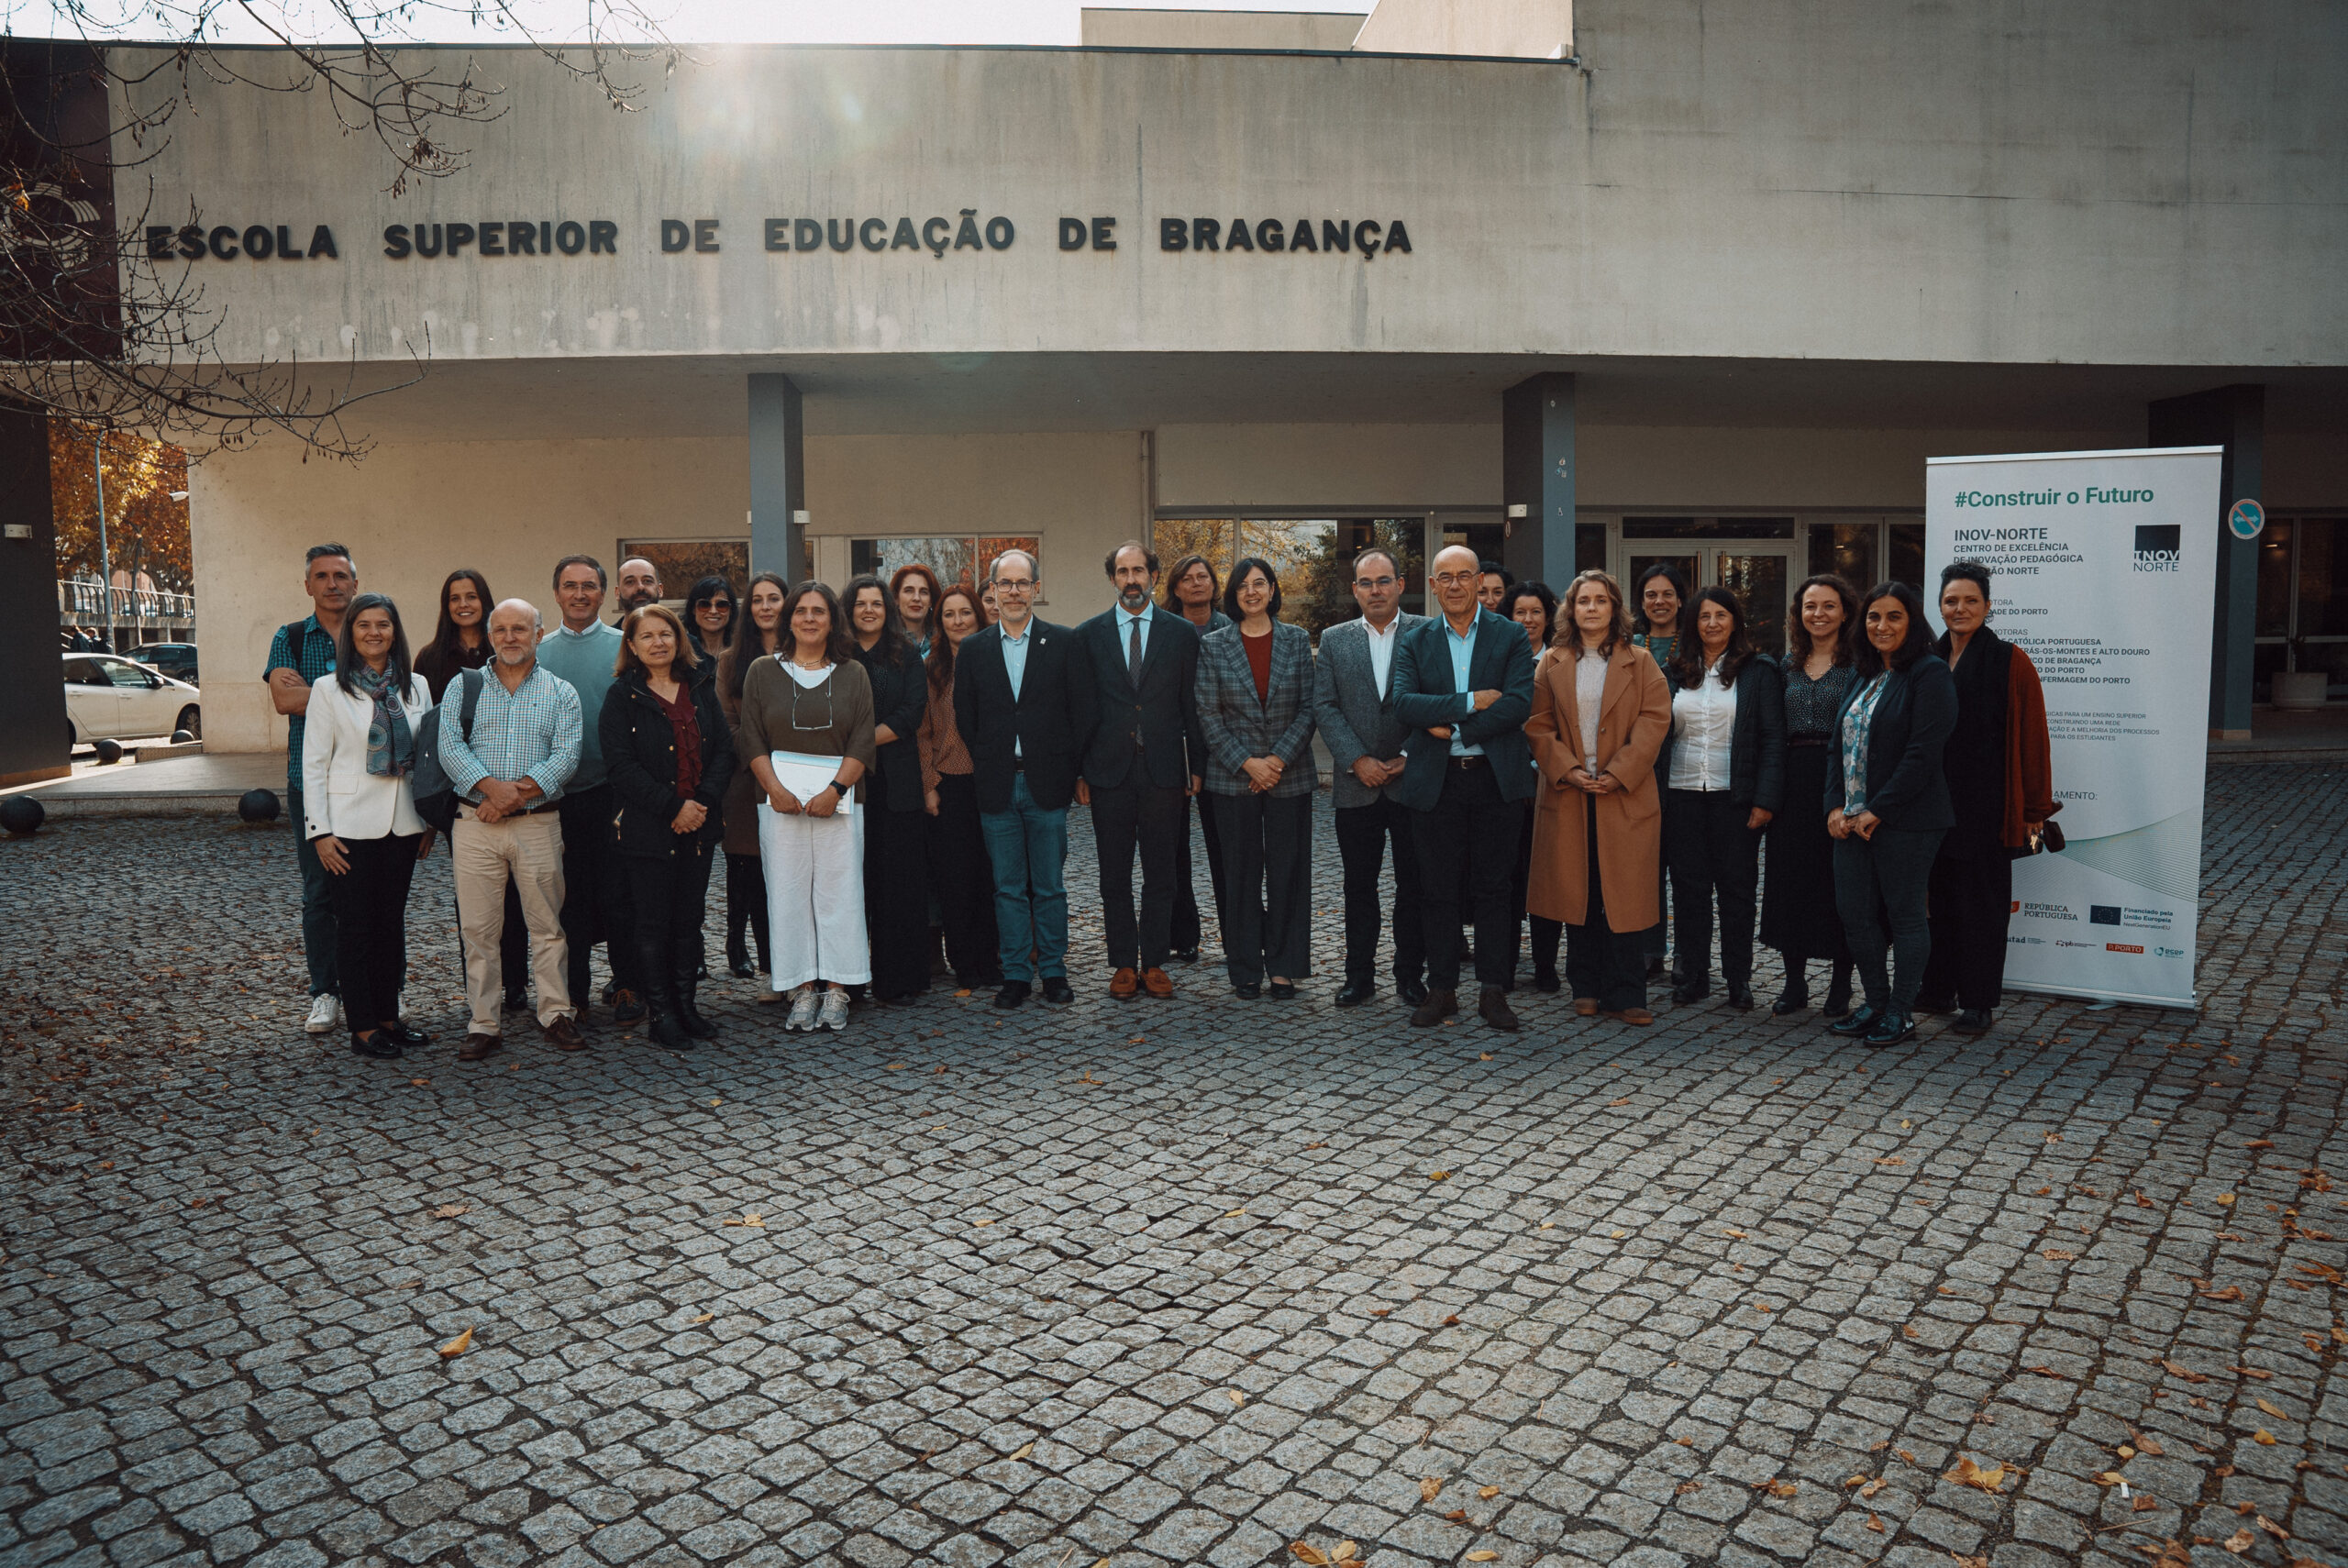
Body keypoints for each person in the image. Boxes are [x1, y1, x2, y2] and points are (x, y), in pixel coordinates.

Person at [1389, 544, 1538, 1031]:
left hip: (1496, 780)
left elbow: (1517, 703)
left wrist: (1454, 727)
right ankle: (1442, 989)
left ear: (1479, 582)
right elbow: (1405, 703)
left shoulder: (1511, 635)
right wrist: (1471, 701)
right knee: (1437, 890)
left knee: (1496, 888)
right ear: (1432, 585)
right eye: (1444, 577)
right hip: (1437, 783)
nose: (1454, 585)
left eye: (1464, 576)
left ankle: (1494, 991)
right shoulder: (1415, 639)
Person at [440, 598, 586, 1059]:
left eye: (520, 629)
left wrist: (510, 797)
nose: (510, 637)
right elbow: (449, 747)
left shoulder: (562, 692)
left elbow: (567, 756)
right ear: (489, 636)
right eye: (500, 629)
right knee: (479, 930)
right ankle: (484, 1022)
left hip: (537, 824)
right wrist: (490, 791)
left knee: (546, 925)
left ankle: (556, 1012)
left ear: (539, 635)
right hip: (474, 825)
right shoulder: (463, 688)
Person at [1525, 570, 1672, 1025]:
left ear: (1615, 608)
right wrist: (1567, 769)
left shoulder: (1641, 661)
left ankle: (1628, 993)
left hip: (1622, 794)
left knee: (1624, 895)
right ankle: (1585, 986)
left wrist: (1618, 772)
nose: (1592, 608)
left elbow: (1655, 720)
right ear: (1571, 609)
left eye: (1601, 600)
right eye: (1583, 601)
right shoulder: (1551, 661)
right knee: (1580, 892)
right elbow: (1538, 725)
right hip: (1570, 794)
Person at [953, 549, 1094, 1009]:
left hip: (1046, 785)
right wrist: (992, 758)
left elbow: (1079, 715)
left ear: (1036, 589)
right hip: (997, 784)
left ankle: (1052, 970)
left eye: (1022, 583)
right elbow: (966, 716)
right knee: (1008, 887)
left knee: (1050, 885)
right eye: (1005, 584)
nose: (1013, 592)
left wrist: (1072, 771)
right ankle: (1016, 973)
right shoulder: (974, 650)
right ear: (991, 591)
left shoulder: (1065, 643)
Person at [1918, 561, 2055, 1033]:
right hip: (1931, 806)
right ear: (1939, 606)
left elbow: (2033, 739)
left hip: (1987, 808)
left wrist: (2035, 809)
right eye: (1951, 600)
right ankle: (1936, 989)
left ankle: (1978, 1002)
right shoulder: (1927, 659)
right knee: (1936, 901)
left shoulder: (2010, 661)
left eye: (1970, 600)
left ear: (1988, 606)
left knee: (1981, 909)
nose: (1960, 608)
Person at [300, 592, 435, 1061]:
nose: (374, 633)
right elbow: (313, 765)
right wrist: (319, 831)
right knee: (355, 928)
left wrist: (429, 821)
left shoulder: (416, 686)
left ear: (395, 631)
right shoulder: (327, 690)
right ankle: (361, 1027)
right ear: (351, 635)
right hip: (348, 829)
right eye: (364, 626)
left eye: (383, 625)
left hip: (404, 825)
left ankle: (388, 1018)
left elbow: (427, 760)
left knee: (390, 925)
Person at [738, 581, 877, 1032]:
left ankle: (838, 988)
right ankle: (800, 986)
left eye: (819, 611)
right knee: (788, 891)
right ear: (789, 618)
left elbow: (862, 736)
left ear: (833, 620)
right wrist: (774, 789)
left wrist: (835, 790)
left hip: (839, 800)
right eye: (801, 611)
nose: (810, 619)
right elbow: (752, 734)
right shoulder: (762, 670)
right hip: (779, 803)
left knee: (840, 892)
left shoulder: (853, 672)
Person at [1826, 581, 1957, 1047]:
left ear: (1912, 622)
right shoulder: (1862, 673)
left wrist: (1878, 809)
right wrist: (1835, 805)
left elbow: (1923, 754)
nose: (1882, 626)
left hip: (1909, 820)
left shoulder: (1930, 673)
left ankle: (1901, 1012)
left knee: (1904, 915)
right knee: (1854, 913)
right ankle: (1876, 1002)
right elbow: (1839, 747)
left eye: (1894, 617)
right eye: (1874, 617)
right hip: (1852, 821)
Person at [600, 603, 737, 1050]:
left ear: (679, 640)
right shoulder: (623, 696)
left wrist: (700, 803)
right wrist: (673, 807)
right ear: (632, 647)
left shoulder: (699, 688)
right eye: (647, 636)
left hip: (699, 823)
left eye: (666, 634)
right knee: (653, 923)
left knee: (689, 920)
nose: (658, 643)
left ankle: (686, 1006)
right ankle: (660, 1013)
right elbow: (621, 767)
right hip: (648, 828)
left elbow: (723, 753)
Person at [1073, 543, 1204, 1000]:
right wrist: (1080, 772)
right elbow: (1081, 710)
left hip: (1165, 770)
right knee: (1114, 873)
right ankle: (1124, 963)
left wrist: (1198, 767)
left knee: (1161, 873)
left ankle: (1155, 962)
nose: (1131, 579)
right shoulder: (1088, 635)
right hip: (1108, 771)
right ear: (1113, 579)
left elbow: (1193, 706)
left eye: (1139, 571)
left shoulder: (1181, 634)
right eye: (1123, 572)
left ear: (1152, 575)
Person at [1193, 558, 1314, 999]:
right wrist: (1249, 763)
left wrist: (1276, 760)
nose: (1251, 592)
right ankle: (1244, 968)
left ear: (1272, 589)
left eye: (1259, 584)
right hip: (1233, 778)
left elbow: (1309, 708)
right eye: (1243, 586)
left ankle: (1284, 968)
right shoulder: (1214, 644)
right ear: (1234, 595)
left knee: (1288, 873)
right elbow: (1208, 715)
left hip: (1289, 775)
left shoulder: (1297, 640)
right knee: (1240, 875)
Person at [1659, 587, 1785, 1010]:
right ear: (1692, 624)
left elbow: (1772, 740)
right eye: (1704, 616)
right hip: (1682, 795)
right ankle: (1693, 975)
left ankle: (1738, 978)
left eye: (1721, 615)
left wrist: (1764, 799)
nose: (1713, 623)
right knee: (1689, 891)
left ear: (1735, 621)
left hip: (1736, 798)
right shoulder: (1674, 671)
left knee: (1737, 891)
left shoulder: (1759, 670)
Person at [1312, 547, 1427, 1009]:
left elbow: (1439, 700)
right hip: (1355, 784)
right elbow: (1325, 705)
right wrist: (1356, 759)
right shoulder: (1335, 639)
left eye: (1384, 581)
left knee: (1413, 885)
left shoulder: (1427, 633)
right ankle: (1358, 976)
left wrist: (1407, 757)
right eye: (1366, 582)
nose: (1375, 590)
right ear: (1355, 590)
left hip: (1411, 781)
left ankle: (1409, 976)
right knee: (1358, 886)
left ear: (1401, 585)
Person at [414, 568, 531, 1013]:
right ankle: (481, 987)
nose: (464, 604)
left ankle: (517, 982)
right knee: (475, 897)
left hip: (511, 789)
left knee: (517, 894)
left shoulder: (505, 647)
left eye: (472, 596)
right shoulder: (430, 658)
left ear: (485, 600)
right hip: (458, 791)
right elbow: (426, 734)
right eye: (454, 598)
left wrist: (507, 790)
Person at [536, 556, 642, 1026]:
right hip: (554, 797)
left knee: (620, 897)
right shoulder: (538, 652)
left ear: (604, 594)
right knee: (566, 900)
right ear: (556, 593)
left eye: (589, 586)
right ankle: (573, 992)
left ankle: (626, 986)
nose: (579, 594)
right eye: (569, 586)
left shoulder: (628, 646)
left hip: (614, 792)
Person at [265, 543, 358, 1035]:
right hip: (311, 785)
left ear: (355, 583)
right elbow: (284, 699)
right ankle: (325, 992)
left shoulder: (371, 629)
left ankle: (384, 986)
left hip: (370, 784)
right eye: (321, 576)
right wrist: (355, 694)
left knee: (373, 894)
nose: (332, 584)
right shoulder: (292, 636)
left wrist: (319, 691)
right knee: (319, 893)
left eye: (340, 575)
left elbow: (390, 694)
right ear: (308, 585)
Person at [1761, 575, 1860, 1018]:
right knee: (1791, 880)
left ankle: (1841, 985)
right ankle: (1794, 982)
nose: (1818, 614)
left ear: (1845, 612)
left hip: (1843, 779)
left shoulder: (1861, 665)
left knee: (1841, 883)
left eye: (1828, 606)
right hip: (1793, 780)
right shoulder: (1786, 665)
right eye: (1809, 606)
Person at [847, 573, 934, 1004]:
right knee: (849, 883)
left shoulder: (906, 653)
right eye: (861, 603)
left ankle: (898, 979)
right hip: (844, 786)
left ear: (888, 609)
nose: (868, 610)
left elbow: (911, 713)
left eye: (876, 604)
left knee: (897, 885)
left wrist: (857, 747)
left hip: (895, 783)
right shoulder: (837, 654)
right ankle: (849, 978)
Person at [919, 584, 1002, 988]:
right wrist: (928, 784)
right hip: (948, 782)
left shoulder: (997, 658)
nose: (958, 621)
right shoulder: (931, 669)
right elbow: (921, 733)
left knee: (990, 876)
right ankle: (964, 962)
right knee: (955, 878)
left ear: (978, 615)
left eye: (965, 613)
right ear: (940, 622)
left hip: (991, 780)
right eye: (949, 615)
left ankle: (993, 960)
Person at [716, 572, 788, 1000]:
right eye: (757, 599)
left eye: (774, 598)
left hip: (802, 781)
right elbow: (727, 722)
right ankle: (773, 973)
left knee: (794, 878)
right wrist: (764, 761)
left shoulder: (804, 653)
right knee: (756, 883)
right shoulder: (730, 660)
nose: (765, 606)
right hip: (746, 786)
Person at [1162, 552, 1233, 962]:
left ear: (1213, 584)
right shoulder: (1164, 630)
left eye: (1202, 576)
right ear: (1175, 588)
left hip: (1222, 752)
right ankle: (1182, 934)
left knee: (1224, 848)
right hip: (1174, 752)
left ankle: (1236, 935)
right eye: (1186, 578)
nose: (1195, 583)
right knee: (1173, 849)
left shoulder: (1230, 628)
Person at [1500, 580, 1561, 989]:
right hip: (1504, 781)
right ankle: (1501, 965)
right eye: (1520, 612)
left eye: (1535, 612)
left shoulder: (1559, 662)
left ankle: (1545, 965)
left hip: (1549, 782)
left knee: (1547, 875)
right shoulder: (1500, 658)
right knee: (1502, 878)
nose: (1527, 620)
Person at [1631, 562, 1689, 982]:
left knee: (1685, 869)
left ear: (1681, 599)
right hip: (1641, 769)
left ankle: (1688, 953)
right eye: (1651, 595)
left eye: (1667, 594)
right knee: (1646, 867)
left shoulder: (1694, 647)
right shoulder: (1630, 645)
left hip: (1685, 768)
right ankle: (1650, 950)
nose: (1659, 602)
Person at [682, 575, 737, 668]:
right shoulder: (682, 652)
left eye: (721, 605)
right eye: (704, 605)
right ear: (693, 609)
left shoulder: (741, 651)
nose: (713, 611)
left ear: (731, 611)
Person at [891, 562, 943, 657]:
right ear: (896, 598)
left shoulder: (943, 641)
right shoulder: (885, 641)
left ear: (931, 600)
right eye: (909, 590)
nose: (916, 598)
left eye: (924, 592)